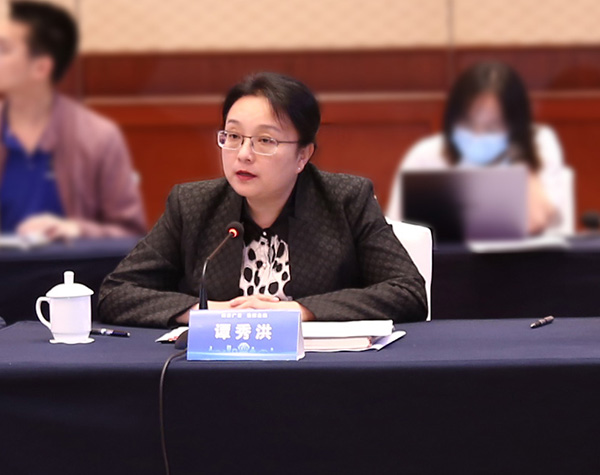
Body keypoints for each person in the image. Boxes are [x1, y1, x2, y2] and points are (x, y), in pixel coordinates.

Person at [99, 72, 427, 327]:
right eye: (233, 136)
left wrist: (299, 310)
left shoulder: (345, 200)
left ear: (303, 156)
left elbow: (408, 292)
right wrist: (204, 312)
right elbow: (115, 293)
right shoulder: (193, 205)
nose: (243, 154)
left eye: (265, 140)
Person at [0, 1, 146, 240]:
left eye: (3, 49)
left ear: (41, 68)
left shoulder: (98, 137)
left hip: (74, 264)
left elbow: (130, 233)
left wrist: (77, 230)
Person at [387, 61, 566, 235]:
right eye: (467, 123)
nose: (477, 135)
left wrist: (521, 157)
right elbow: (395, 231)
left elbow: (538, 221)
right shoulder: (425, 155)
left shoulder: (539, 143)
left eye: (492, 127)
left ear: (514, 127)